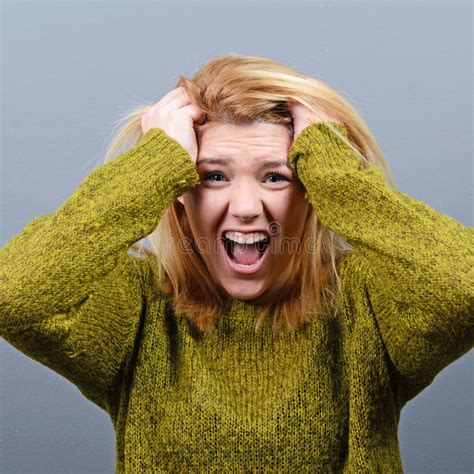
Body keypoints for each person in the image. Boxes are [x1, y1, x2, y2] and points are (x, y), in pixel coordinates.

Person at [1, 54, 472, 472]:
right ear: (178, 191)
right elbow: (14, 294)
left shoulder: (370, 300)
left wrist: (341, 179)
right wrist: (151, 167)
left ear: (314, 187)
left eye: (275, 176)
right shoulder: (135, 305)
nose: (246, 206)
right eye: (213, 176)